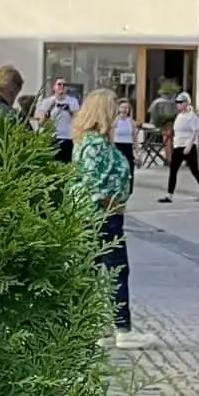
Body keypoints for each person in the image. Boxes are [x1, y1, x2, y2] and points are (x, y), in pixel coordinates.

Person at [70, 90, 135, 337]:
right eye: (113, 109)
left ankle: (96, 328)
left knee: (93, 269)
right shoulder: (94, 144)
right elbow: (93, 183)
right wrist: (112, 203)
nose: (117, 114)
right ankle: (121, 328)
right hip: (102, 216)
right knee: (117, 270)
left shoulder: (90, 141)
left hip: (95, 215)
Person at [166, 91, 199, 201]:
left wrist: (189, 145)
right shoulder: (179, 116)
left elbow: (196, 130)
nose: (178, 104)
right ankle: (169, 195)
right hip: (178, 145)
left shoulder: (192, 116)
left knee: (194, 170)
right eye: (177, 102)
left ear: (186, 103)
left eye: (180, 102)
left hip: (188, 145)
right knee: (173, 170)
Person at [39, 79, 79, 161]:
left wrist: (69, 111)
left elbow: (78, 121)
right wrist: (50, 108)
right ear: (54, 87)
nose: (62, 86)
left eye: (64, 85)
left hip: (68, 138)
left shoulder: (73, 101)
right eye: (59, 84)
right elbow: (41, 123)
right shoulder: (47, 101)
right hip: (52, 138)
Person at [112, 97, 138, 172]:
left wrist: (137, 153)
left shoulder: (131, 122)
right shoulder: (115, 121)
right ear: (118, 109)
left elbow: (134, 138)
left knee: (129, 170)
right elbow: (110, 135)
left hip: (128, 147)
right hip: (117, 146)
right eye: (122, 107)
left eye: (126, 108)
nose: (124, 110)